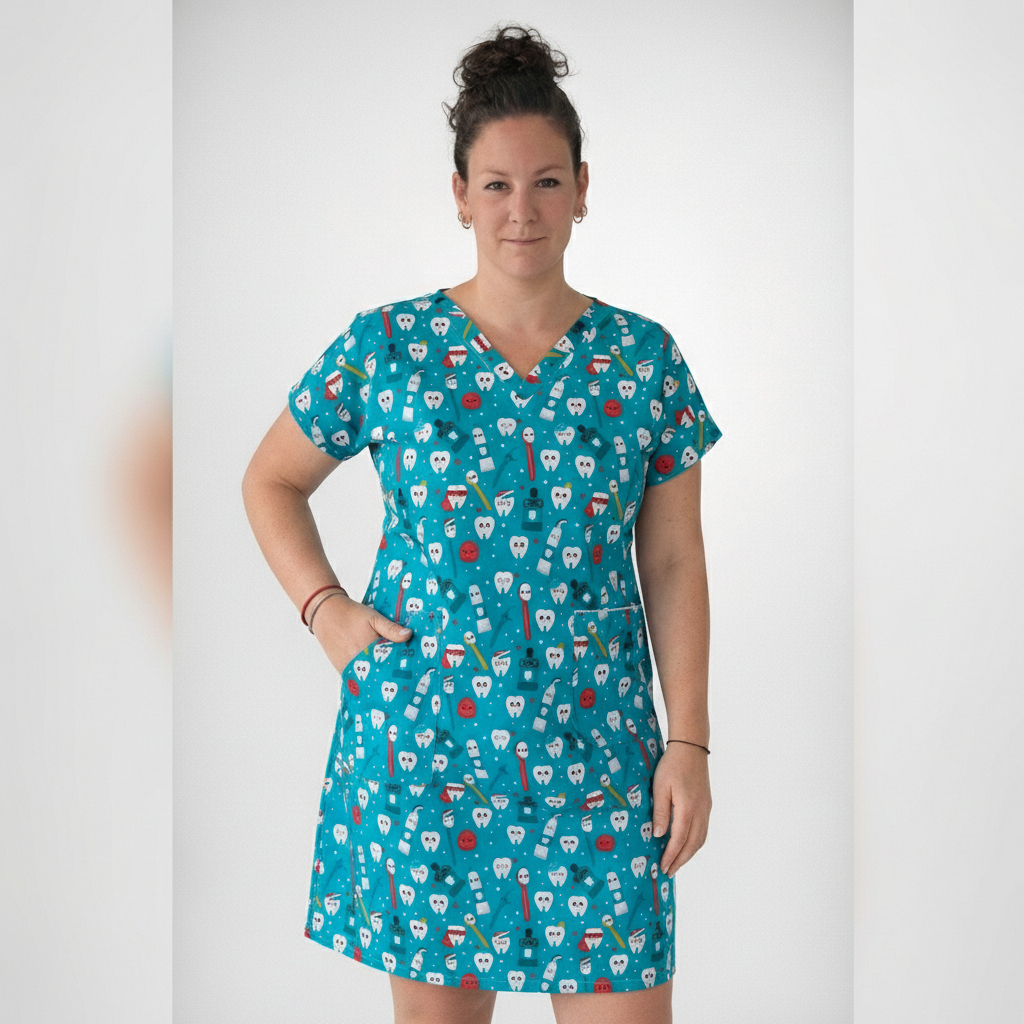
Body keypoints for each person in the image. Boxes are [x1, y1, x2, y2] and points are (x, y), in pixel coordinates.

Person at [242, 23, 723, 1024]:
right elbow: (270, 479)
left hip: (599, 759)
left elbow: (674, 558)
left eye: (546, 182)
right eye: (497, 185)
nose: (521, 209)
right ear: (459, 194)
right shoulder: (388, 347)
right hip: (428, 753)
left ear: (583, 189)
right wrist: (325, 610)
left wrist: (690, 740)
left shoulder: (643, 361)